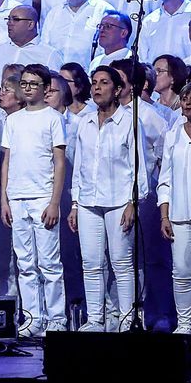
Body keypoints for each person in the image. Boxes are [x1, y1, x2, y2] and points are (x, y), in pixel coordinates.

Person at [69, 66, 145, 332]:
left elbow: (139, 167)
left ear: (118, 89)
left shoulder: (129, 121)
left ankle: (126, 319)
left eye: (104, 83)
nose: (97, 87)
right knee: (91, 263)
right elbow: (79, 165)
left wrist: (133, 202)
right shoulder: (85, 123)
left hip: (119, 201)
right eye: (94, 83)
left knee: (121, 262)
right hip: (89, 201)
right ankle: (96, 319)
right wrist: (76, 203)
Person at [0, 64, 68, 335]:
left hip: (42, 195)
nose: (27, 88)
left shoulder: (53, 117)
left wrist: (54, 202)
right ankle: (32, 318)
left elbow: (59, 162)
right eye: (24, 83)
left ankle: (56, 318)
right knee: (25, 263)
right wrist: (4, 199)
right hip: (17, 196)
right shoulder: (13, 120)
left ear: (45, 88)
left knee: (50, 262)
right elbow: (7, 161)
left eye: (33, 84)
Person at [158, 81, 191, 334]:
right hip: (179, 213)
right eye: (185, 98)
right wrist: (164, 213)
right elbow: (165, 177)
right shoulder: (173, 135)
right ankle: (186, 322)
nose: (188, 102)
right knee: (182, 271)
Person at [0, 5, 62, 96]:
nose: (9, 23)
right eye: (8, 19)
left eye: (15, 19)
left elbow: (55, 90)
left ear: (30, 24)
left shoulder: (49, 54)